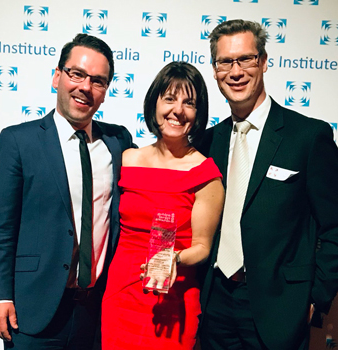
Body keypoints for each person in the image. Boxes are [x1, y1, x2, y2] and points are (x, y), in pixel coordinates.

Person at [0, 33, 134, 349]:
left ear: (106, 92)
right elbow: (0, 228)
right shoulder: (18, 141)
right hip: (31, 310)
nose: (85, 87)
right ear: (57, 77)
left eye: (98, 81)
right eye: (77, 74)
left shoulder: (119, 143)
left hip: (97, 311)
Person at [198, 19, 338, 350]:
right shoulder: (207, 143)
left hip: (280, 309)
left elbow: (334, 226)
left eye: (245, 59)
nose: (236, 71)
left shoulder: (307, 137)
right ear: (215, 70)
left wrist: (317, 297)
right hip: (215, 304)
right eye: (225, 62)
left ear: (263, 61)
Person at [101, 61, 224, 349]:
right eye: (169, 98)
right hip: (121, 293)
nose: (178, 110)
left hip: (174, 297)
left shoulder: (205, 173)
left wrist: (175, 259)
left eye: (189, 103)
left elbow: (203, 247)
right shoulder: (128, 159)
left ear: (198, 113)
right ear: (154, 103)